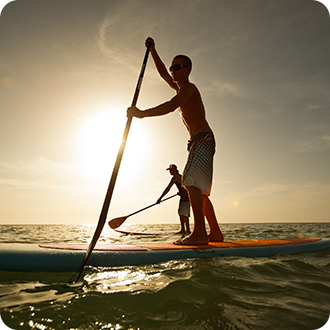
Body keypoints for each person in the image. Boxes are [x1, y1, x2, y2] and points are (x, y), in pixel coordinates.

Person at [127, 37, 224, 245]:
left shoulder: (189, 88)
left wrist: (141, 114)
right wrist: (153, 51)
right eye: (173, 67)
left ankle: (199, 234)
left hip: (203, 138)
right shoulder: (180, 88)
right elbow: (162, 74)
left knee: (189, 181)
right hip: (200, 140)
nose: (173, 71)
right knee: (199, 190)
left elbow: (171, 106)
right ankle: (215, 233)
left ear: (188, 69)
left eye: (178, 67)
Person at [157, 164, 191, 235]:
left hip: (185, 198)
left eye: (171, 170)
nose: (170, 172)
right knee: (182, 213)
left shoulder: (176, 177)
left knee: (183, 214)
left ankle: (186, 230)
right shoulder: (180, 176)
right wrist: (181, 192)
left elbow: (168, 188)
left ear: (175, 170)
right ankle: (185, 230)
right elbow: (184, 186)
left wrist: (160, 198)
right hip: (185, 197)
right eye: (169, 171)